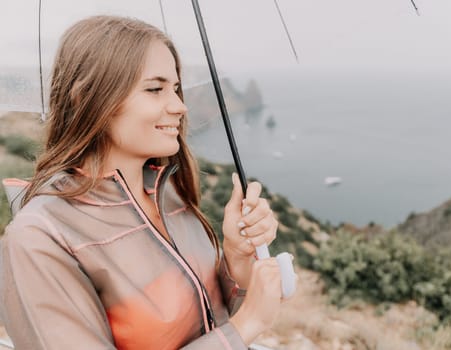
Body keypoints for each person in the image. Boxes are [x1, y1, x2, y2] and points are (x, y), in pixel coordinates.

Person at [0, 15, 288, 349]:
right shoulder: (41, 236)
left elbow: (209, 320)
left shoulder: (170, 196)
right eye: (155, 89)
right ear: (88, 98)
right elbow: (231, 331)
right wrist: (246, 325)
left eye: (176, 88)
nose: (179, 106)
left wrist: (236, 259)